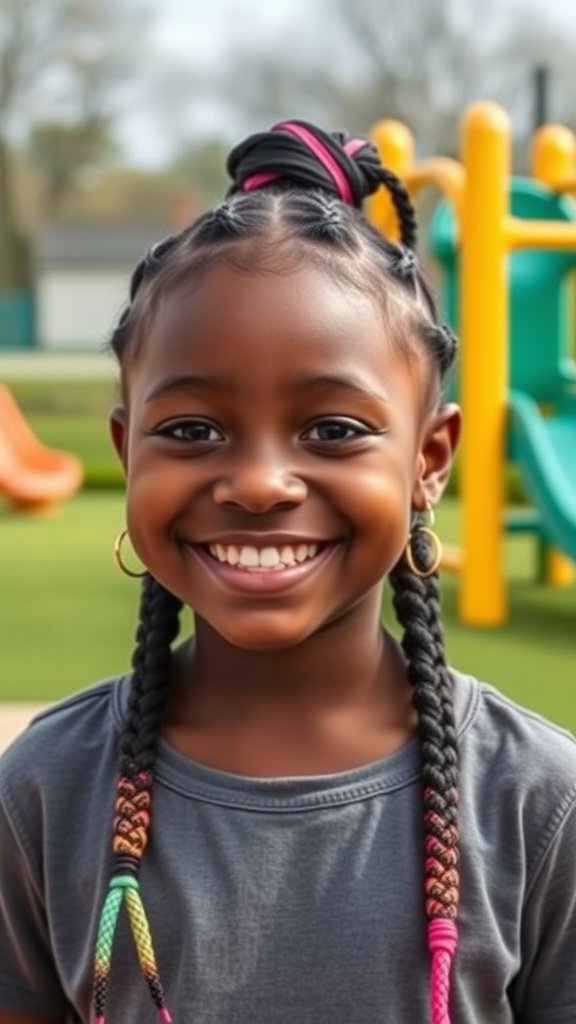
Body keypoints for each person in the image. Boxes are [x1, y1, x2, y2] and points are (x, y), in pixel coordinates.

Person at [0, 121, 575, 1024]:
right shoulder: (45, 789)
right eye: (192, 431)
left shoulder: (538, 803)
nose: (262, 482)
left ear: (430, 458)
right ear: (127, 450)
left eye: (334, 430)